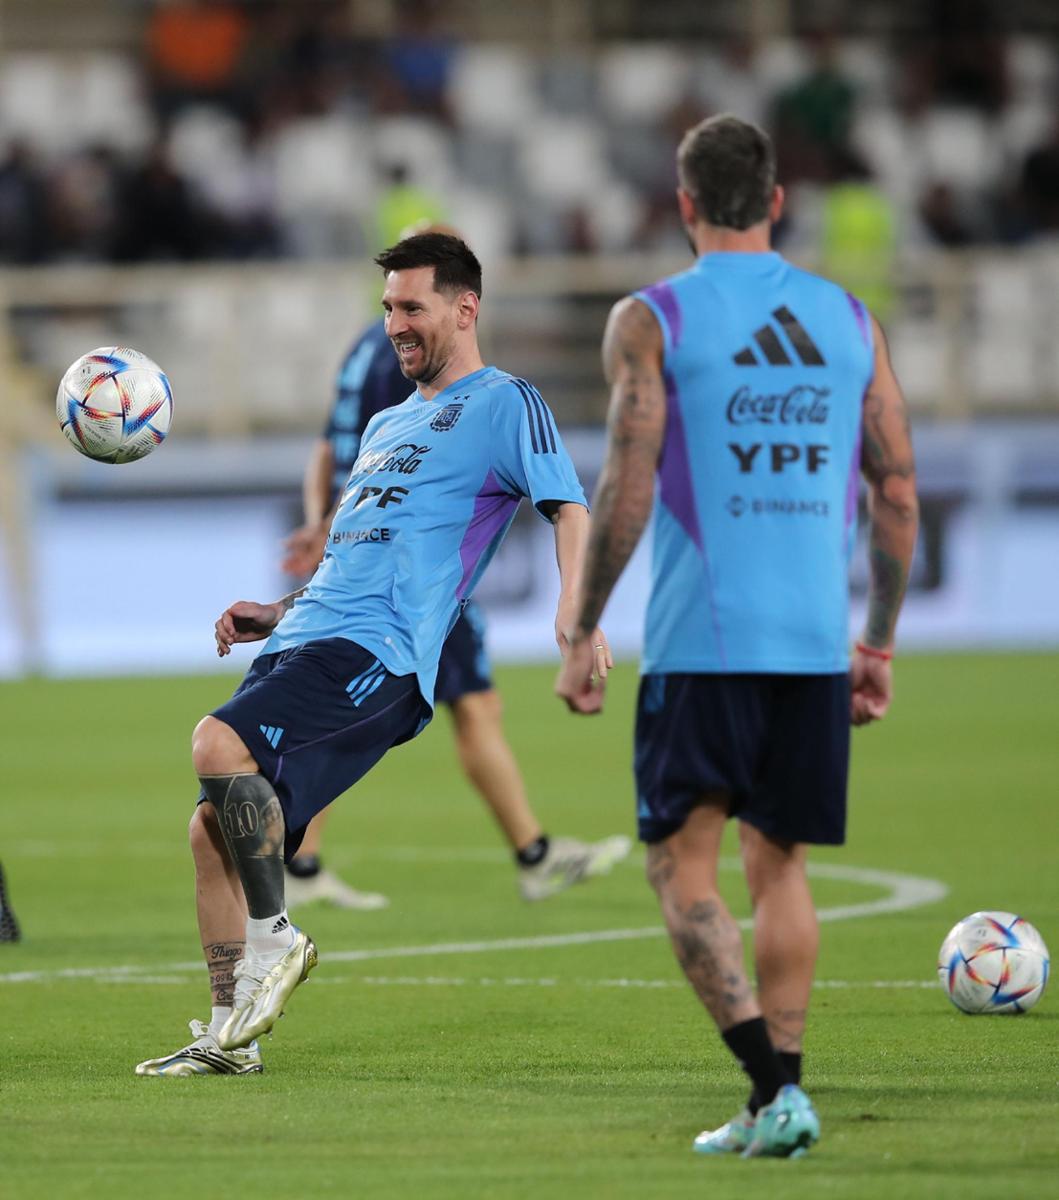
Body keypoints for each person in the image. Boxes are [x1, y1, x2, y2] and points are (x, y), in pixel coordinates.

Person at [136, 232, 613, 1077]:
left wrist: (578, 618)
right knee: (210, 832)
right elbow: (352, 555)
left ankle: (276, 938)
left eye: (411, 306)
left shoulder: (505, 403)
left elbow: (569, 507)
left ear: (464, 309)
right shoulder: (388, 424)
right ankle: (230, 1035)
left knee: (216, 743)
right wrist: (275, 611)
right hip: (307, 636)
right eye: (388, 307)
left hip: (379, 652)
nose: (394, 324)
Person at [556, 115, 918, 1158]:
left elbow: (627, 483)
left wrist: (583, 623)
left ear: (682, 204)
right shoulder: (849, 319)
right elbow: (896, 491)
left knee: (680, 869)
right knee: (781, 867)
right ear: (776, 202)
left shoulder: (653, 319)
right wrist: (875, 643)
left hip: (703, 644)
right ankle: (778, 1097)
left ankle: (771, 1088)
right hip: (812, 644)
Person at [281, 267, 630, 911]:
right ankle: (299, 860)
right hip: (414, 574)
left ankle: (529, 851)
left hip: (367, 553)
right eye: (398, 305)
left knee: (460, 708)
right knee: (440, 708)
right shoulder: (416, 366)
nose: (400, 320)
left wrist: (320, 520)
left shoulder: (363, 353)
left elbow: (329, 449)